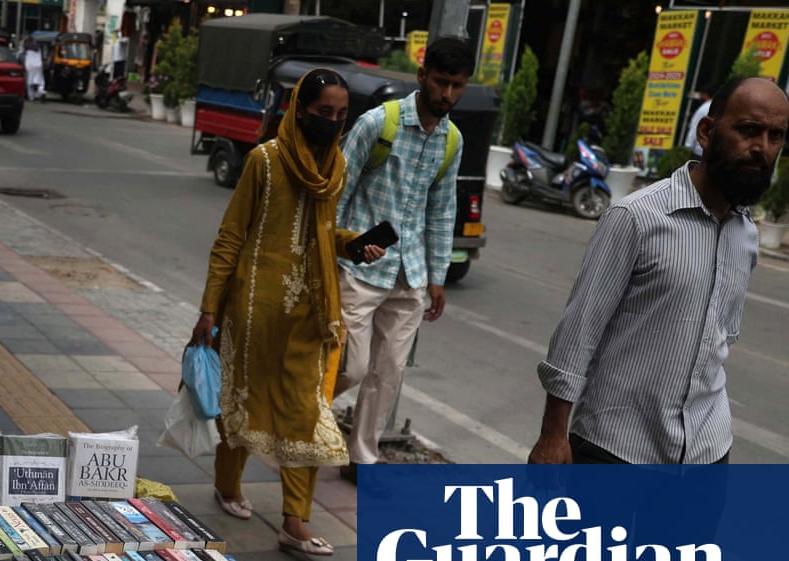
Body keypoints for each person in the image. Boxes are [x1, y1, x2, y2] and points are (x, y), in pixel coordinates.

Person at [529, 77, 789, 467]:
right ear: (707, 131)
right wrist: (553, 434)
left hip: (706, 451)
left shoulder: (746, 235)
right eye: (749, 130)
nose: (762, 149)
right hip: (615, 448)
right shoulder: (636, 218)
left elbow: (720, 340)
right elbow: (578, 332)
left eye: (776, 136)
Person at [192, 68, 385, 557]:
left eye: (341, 115)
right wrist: (209, 308)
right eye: (324, 113)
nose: (333, 122)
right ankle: (227, 484)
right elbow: (232, 235)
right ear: (300, 109)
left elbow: (322, 234)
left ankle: (294, 521)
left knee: (306, 413)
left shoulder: (335, 169)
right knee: (243, 400)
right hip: (253, 308)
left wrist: (354, 245)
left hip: (310, 311)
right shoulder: (265, 160)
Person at [331, 36, 475, 479]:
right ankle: (298, 421)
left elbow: (442, 209)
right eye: (440, 82)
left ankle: (362, 460)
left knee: (388, 373)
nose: (447, 94)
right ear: (421, 76)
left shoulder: (452, 140)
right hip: (360, 267)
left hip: (410, 274)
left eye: (457, 85)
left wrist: (437, 276)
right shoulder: (379, 124)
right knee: (349, 368)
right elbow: (337, 191)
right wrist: (331, 250)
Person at [682, 84, 714, 159]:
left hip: (698, 151)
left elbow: (694, 128)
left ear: (705, 95)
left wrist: (687, 148)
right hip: (709, 150)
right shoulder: (718, 107)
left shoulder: (703, 109)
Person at [22, 35, 45, 101]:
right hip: (38, 65)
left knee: (30, 82)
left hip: (29, 65)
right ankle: (42, 91)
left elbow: (22, 55)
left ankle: (31, 97)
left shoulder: (25, 47)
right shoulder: (38, 47)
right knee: (40, 81)